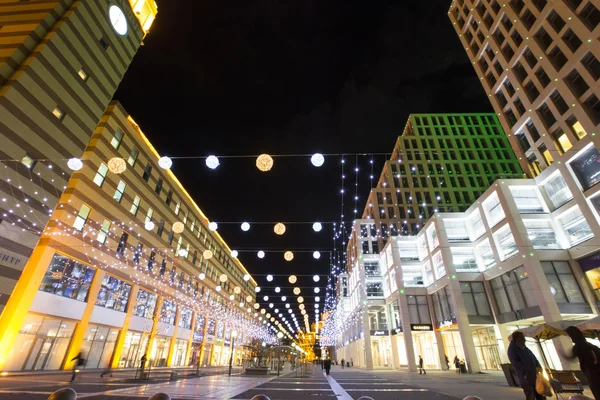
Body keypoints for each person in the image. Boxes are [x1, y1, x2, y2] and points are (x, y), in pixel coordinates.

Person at [507, 331, 545, 400]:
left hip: (535, 377)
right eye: (522, 338)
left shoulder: (525, 348)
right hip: (526, 379)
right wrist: (531, 369)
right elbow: (517, 364)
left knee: (541, 395)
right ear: (517, 339)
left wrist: (538, 366)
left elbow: (533, 358)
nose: (525, 340)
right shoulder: (512, 350)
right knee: (531, 396)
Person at [565, 326, 600, 400]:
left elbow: (571, 357)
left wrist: (563, 355)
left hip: (593, 374)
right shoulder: (590, 345)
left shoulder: (578, 346)